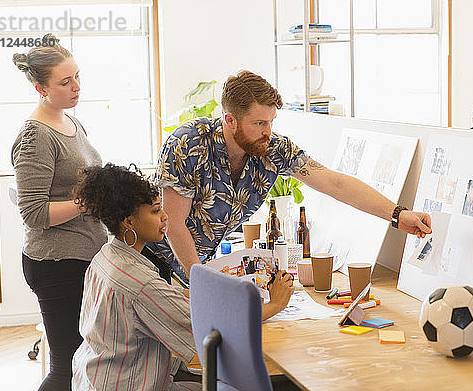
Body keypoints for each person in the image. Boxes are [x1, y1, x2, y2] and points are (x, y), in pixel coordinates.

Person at [144, 70, 432, 285]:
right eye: (259, 123)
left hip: (193, 270)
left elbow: (334, 183)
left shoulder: (272, 149)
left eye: (271, 122)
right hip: (150, 264)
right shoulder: (188, 144)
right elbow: (174, 224)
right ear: (229, 120)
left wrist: (398, 215)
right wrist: (203, 284)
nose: (268, 131)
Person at [70, 164, 292, 391]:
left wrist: (227, 292)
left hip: (94, 379)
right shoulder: (140, 284)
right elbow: (211, 331)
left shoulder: (107, 256)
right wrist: (275, 304)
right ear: (129, 222)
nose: (165, 217)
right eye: (156, 211)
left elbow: (174, 294)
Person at [11, 33, 107, 391]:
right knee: (67, 366)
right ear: (40, 88)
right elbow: (34, 213)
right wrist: (93, 200)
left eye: (77, 76)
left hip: (81, 256)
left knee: (85, 362)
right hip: (56, 264)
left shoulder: (71, 122)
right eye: (65, 82)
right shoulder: (36, 136)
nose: (76, 86)